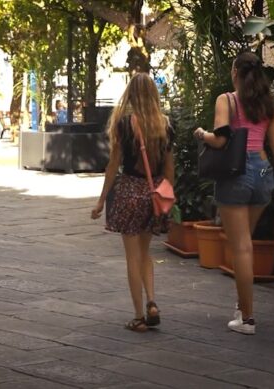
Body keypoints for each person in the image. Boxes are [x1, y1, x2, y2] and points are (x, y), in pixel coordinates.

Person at [193, 52, 274, 335]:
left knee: (241, 248)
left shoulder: (227, 100)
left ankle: (247, 319)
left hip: (236, 174)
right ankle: (241, 306)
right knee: (245, 243)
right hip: (263, 173)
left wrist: (201, 134)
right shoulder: (268, 104)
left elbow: (221, 138)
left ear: (235, 70)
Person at [91, 73, 174, 332]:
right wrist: (167, 198)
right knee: (146, 253)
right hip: (154, 194)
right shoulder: (166, 125)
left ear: (131, 95)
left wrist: (101, 200)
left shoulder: (124, 125)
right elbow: (171, 171)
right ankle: (151, 301)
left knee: (132, 257)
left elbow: (113, 166)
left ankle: (139, 316)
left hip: (129, 192)